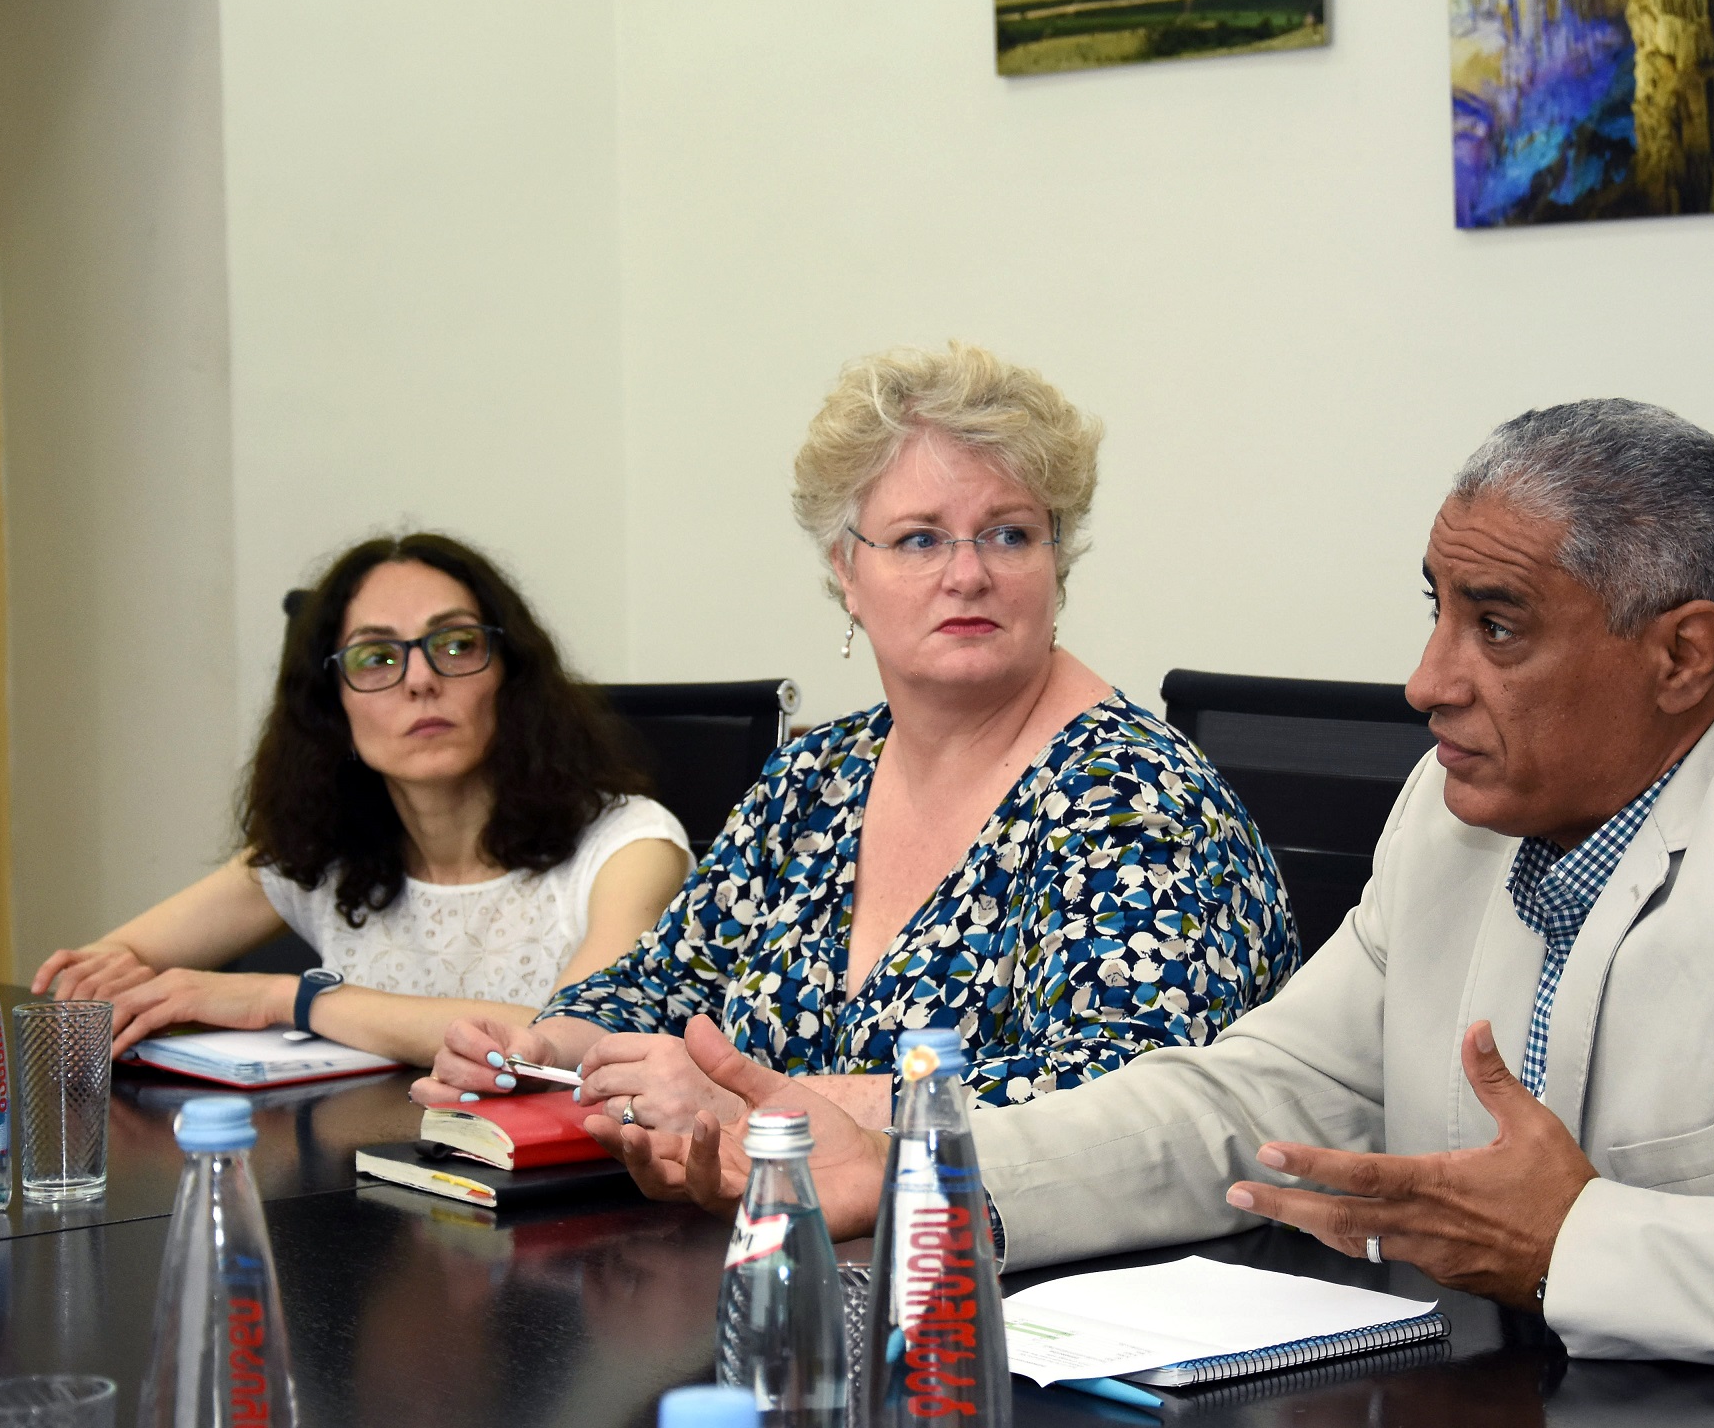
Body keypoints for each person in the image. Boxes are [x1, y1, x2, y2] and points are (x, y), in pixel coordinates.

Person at [619, 400, 1714, 1416]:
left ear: (1682, 656)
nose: (1426, 680)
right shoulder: (1453, 824)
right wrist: (925, 1166)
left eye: (1496, 626)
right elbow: (1253, 1102)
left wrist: (1583, 1240)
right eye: (1434, 611)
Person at [414, 342, 1297, 1133]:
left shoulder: (1132, 796)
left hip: (1028, 1257)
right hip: (788, 1232)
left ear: (1055, 560)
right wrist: (543, 1048)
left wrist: (754, 1105)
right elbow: (661, 984)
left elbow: (1121, 1099)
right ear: (846, 569)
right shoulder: (815, 775)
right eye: (920, 539)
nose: (968, 573)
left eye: (1010, 534)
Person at [33, 533, 692, 1066]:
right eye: (376, 658)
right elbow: (106, 966)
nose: (421, 679)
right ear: (332, 708)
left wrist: (285, 999)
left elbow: (577, 1039)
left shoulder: (630, 845)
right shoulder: (324, 850)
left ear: (511, 676)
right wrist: (98, 985)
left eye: (456, 645)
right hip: (365, 1176)